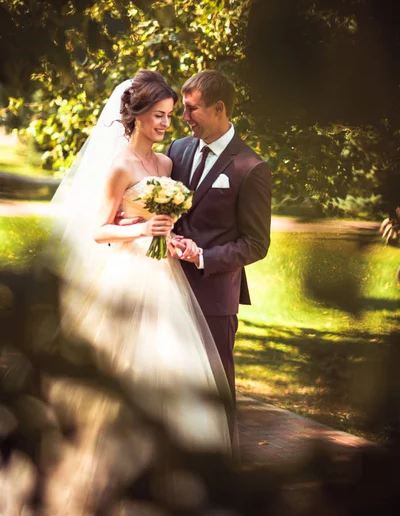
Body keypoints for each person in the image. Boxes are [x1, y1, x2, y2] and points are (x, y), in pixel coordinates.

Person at [47, 70, 233, 459]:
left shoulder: (166, 166)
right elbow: (99, 230)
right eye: (160, 115)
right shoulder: (120, 166)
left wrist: (170, 237)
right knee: (124, 368)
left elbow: (161, 228)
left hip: (165, 276)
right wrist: (142, 230)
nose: (167, 123)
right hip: (125, 276)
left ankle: (171, 457)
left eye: (170, 115)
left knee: (171, 366)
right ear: (138, 116)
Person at [166, 70, 272, 399]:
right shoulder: (177, 149)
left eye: (191, 109)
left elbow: (257, 244)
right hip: (167, 289)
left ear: (219, 108)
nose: (184, 118)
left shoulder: (250, 167)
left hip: (214, 297)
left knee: (215, 389)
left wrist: (203, 257)